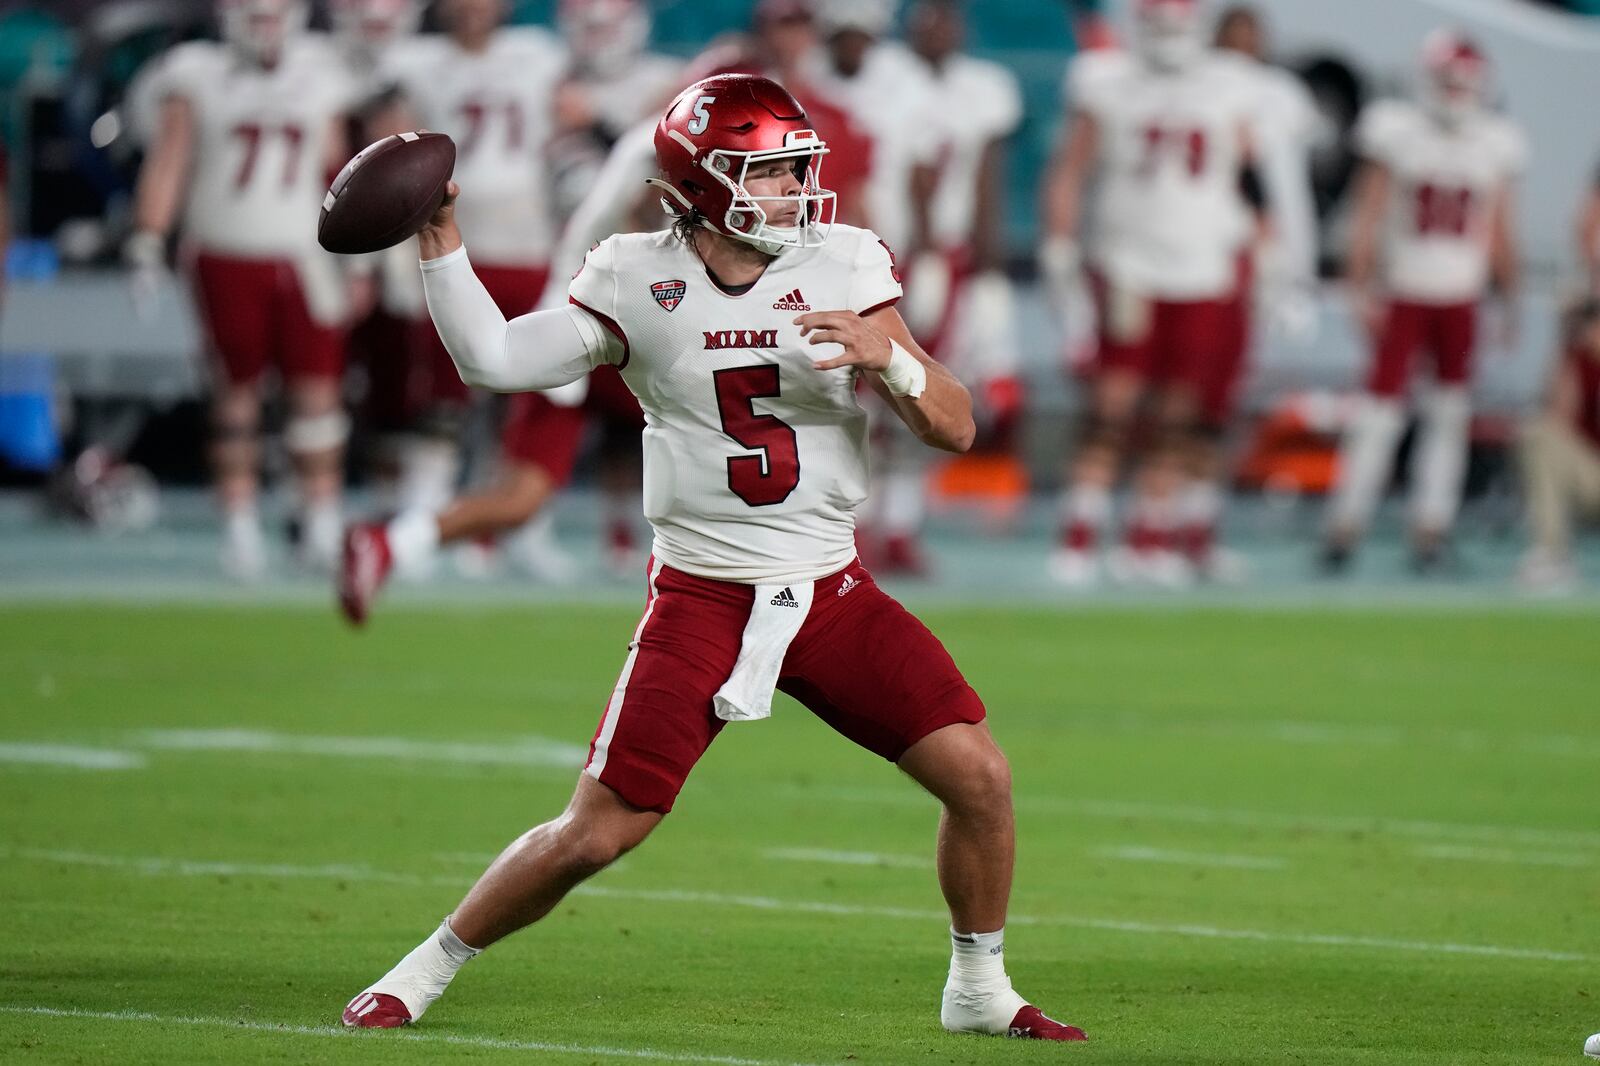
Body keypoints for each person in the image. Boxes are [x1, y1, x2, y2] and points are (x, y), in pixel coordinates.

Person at [339, 73, 1085, 1044]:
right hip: (704, 594)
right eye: (768, 172)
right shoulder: (632, 275)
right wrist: (440, 240)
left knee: (980, 777)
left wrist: (886, 356)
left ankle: (978, 987)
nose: (794, 188)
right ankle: (423, 968)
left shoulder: (848, 263)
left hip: (832, 588)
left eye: (793, 167)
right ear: (701, 183)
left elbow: (954, 424)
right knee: (597, 832)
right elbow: (496, 361)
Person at [126, 0, 357, 578]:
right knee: (236, 394)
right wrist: (148, 239)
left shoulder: (322, 70)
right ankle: (240, 522)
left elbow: (339, 170)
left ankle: (322, 520)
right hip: (224, 251)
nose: (265, 25)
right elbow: (170, 160)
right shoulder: (195, 73)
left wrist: (362, 260)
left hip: (306, 254)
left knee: (318, 394)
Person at [1040, 0, 1262, 588]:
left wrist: (1268, 255)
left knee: (1179, 412)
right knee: (1112, 404)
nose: (1167, 36)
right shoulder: (1105, 80)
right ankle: (1081, 532)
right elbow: (1070, 167)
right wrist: (1060, 247)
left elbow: (1251, 177)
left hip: (1201, 268)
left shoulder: (1229, 85)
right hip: (1127, 265)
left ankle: (1149, 533)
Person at [1321, 29, 1525, 574]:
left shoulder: (1493, 141)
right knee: (1379, 416)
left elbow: (1500, 231)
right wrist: (1359, 287)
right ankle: (1346, 522)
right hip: (1407, 291)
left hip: (1458, 296)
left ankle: (1430, 526)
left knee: (1448, 416)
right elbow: (1369, 212)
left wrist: (1510, 303)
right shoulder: (1399, 131)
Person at [1515, 297, 1600, 593]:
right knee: (1539, 435)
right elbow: (1558, 416)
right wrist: (1567, 360)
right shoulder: (1576, 359)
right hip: (1591, 475)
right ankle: (1552, 553)